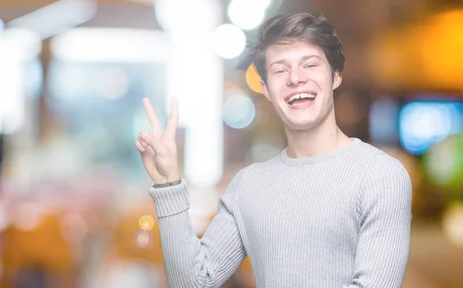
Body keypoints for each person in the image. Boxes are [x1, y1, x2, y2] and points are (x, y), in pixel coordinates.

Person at [134, 11, 412, 288]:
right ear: (266, 88)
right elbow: (194, 282)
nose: (295, 78)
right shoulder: (248, 186)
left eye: (310, 64)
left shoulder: (381, 175)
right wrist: (167, 183)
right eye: (280, 69)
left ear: (335, 75)